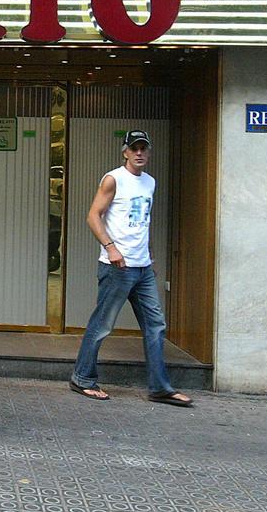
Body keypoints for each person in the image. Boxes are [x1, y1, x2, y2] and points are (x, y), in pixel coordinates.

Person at [70, 130, 193, 407]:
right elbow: (93, 216)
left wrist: (148, 254)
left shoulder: (149, 182)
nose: (139, 153)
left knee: (155, 326)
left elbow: (142, 221)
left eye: (143, 149)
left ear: (149, 153)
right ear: (125, 152)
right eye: (134, 148)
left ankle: (160, 387)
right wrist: (111, 248)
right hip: (118, 267)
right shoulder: (113, 179)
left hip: (143, 268)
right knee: (102, 325)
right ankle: (83, 378)